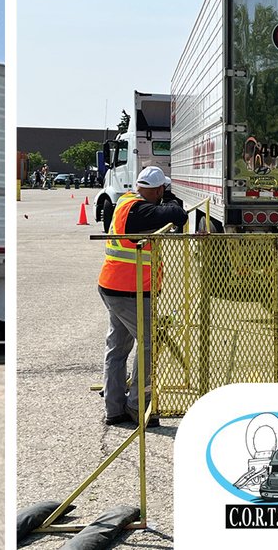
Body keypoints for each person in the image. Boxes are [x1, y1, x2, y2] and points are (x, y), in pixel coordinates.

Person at [98, 165, 186, 428]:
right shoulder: (141, 210)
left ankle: (114, 409)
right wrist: (169, 197)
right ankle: (139, 407)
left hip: (114, 285)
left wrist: (163, 196)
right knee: (149, 345)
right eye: (162, 190)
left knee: (117, 348)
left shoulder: (126, 201)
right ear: (157, 189)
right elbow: (177, 213)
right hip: (130, 289)